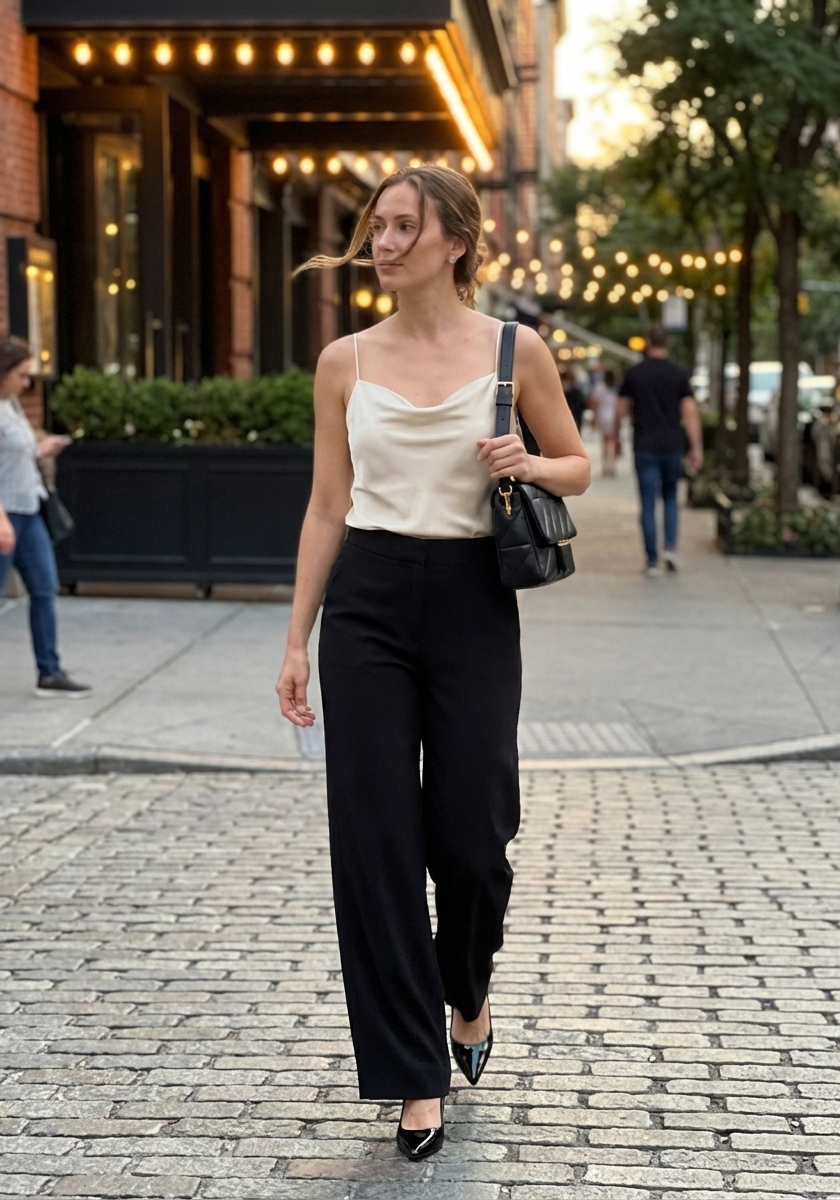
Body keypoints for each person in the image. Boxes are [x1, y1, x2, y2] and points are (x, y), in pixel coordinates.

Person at [275, 164, 589, 1160]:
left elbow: (575, 460)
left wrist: (528, 464)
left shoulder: (514, 349)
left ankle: (469, 994)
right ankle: (414, 1076)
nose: (386, 240)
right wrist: (295, 639)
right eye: (379, 225)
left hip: (469, 603)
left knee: (469, 836)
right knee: (372, 842)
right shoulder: (342, 361)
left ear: (455, 241)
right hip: (365, 603)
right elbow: (327, 503)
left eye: (407, 226)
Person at [0, 337, 90, 696]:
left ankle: (49, 672)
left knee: (44, 587)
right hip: (5, 515)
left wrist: (41, 449)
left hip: (29, 508)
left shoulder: (13, 407)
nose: (26, 383)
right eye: (21, 375)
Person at [618, 325, 703, 576]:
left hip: (644, 445)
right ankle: (670, 548)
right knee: (670, 498)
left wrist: (614, 438)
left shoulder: (635, 374)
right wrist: (696, 447)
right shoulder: (679, 374)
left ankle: (652, 560)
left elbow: (621, 408)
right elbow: (690, 412)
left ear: (647, 343)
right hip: (672, 445)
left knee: (646, 502)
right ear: (668, 344)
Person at [591, 367, 620, 476]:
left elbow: (595, 402)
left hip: (603, 414)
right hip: (613, 414)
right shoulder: (616, 387)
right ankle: (612, 464)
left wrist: (594, 417)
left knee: (604, 441)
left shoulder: (600, 386)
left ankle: (605, 465)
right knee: (613, 440)